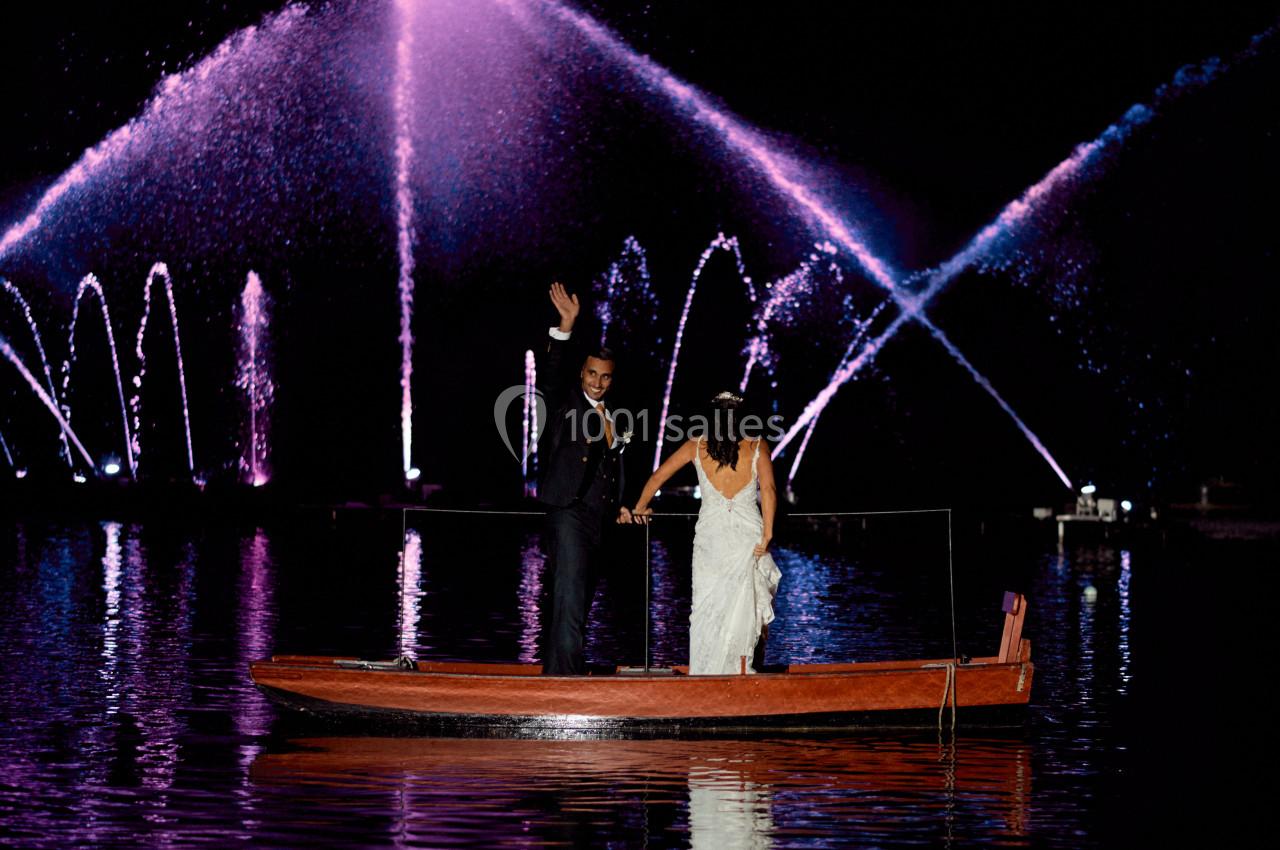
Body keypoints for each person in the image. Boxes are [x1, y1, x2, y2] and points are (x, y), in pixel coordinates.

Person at [629, 392, 781, 674]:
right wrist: (768, 533)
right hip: (748, 537)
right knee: (745, 607)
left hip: (711, 539)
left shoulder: (695, 445)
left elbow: (657, 477)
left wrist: (640, 506)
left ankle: (705, 673)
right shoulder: (758, 445)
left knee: (707, 608)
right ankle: (742, 671)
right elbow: (769, 491)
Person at [536, 282, 633, 675]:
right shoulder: (565, 402)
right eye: (592, 374)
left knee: (581, 599)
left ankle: (562, 671)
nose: (597, 382)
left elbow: (617, 467)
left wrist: (625, 503)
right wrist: (565, 326)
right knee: (570, 598)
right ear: (582, 373)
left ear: (613, 380)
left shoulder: (617, 416)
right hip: (569, 513)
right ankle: (566, 680)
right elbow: (551, 373)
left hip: (600, 518)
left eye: (605, 377)